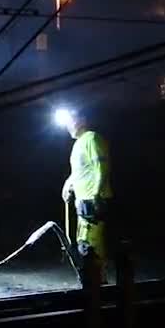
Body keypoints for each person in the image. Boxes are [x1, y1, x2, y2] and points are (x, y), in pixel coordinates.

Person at [58, 107, 114, 275]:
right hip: (83, 200)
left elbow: (102, 167)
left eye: (71, 121)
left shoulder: (92, 138)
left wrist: (96, 194)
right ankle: (91, 281)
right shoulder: (78, 144)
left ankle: (99, 282)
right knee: (83, 241)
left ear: (82, 120)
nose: (68, 125)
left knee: (92, 243)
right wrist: (68, 184)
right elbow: (79, 171)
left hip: (94, 199)